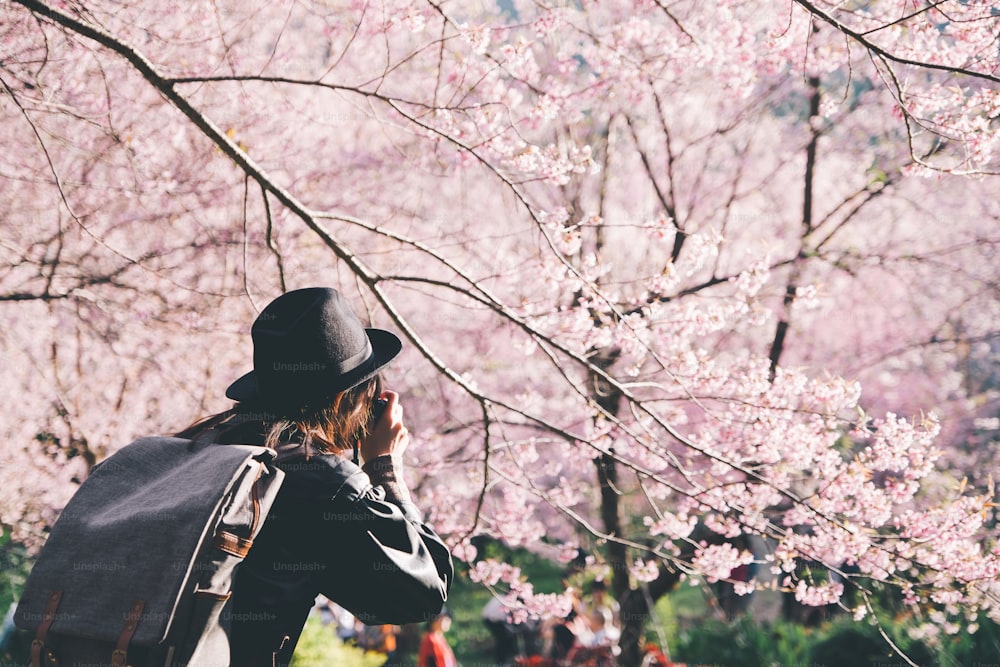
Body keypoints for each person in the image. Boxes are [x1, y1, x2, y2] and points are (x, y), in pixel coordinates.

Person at [175, 287, 454, 667]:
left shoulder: (195, 446)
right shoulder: (320, 482)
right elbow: (424, 592)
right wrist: (385, 469)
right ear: (345, 399)